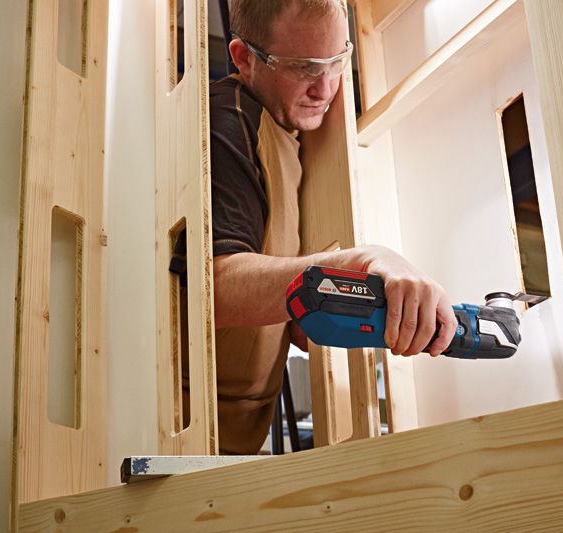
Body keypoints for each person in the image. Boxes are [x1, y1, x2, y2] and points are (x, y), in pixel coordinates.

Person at [171, 0, 456, 455]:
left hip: (230, 440)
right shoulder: (228, 122)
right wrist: (359, 262)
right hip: (179, 431)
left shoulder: (286, 133)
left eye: (337, 61)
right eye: (303, 67)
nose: (325, 88)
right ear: (244, 58)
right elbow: (213, 291)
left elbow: (289, 320)